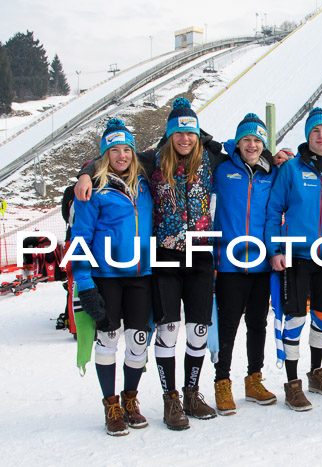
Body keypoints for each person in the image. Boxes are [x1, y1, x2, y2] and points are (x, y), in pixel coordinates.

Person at [75, 98, 228, 429]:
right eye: (179, 132)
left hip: (200, 255)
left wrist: (275, 156)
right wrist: (84, 174)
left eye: (191, 132)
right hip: (165, 257)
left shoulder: (212, 159)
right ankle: (169, 399)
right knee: (167, 330)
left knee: (198, 331)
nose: (185, 139)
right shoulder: (151, 162)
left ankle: (191, 392)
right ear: (170, 135)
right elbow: (114, 158)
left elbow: (248, 152)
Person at [71, 118, 153, 436]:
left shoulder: (144, 184)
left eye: (126, 150)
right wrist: (85, 285)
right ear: (105, 155)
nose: (122, 156)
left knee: (138, 342)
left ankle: (130, 399)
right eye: (114, 150)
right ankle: (111, 404)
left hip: (141, 274)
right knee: (107, 339)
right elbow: (80, 239)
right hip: (106, 276)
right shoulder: (94, 189)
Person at [265, 107, 322, 411]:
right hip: (296, 255)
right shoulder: (292, 169)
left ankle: (315, 374)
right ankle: (292, 384)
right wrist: (274, 250)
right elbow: (274, 210)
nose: (321, 136)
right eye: (316, 131)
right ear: (308, 135)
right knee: (296, 318)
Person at [212, 113, 278, 414]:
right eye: (246, 139)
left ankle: (254, 379)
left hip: (262, 263)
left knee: (257, 324)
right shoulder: (221, 169)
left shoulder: (271, 173)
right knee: (227, 325)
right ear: (237, 143)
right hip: (229, 263)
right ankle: (221, 382)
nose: (252, 145)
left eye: (257, 140)